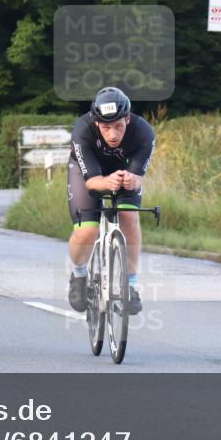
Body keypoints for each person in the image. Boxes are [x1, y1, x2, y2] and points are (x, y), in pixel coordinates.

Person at [66, 87, 155, 315]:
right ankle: (78, 274)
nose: (113, 135)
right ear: (96, 123)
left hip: (123, 172)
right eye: (106, 127)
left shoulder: (144, 132)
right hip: (88, 174)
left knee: (129, 217)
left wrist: (132, 180)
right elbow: (92, 182)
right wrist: (106, 182)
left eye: (118, 126)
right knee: (87, 231)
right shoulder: (82, 130)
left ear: (127, 118)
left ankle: (131, 285)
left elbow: (137, 177)